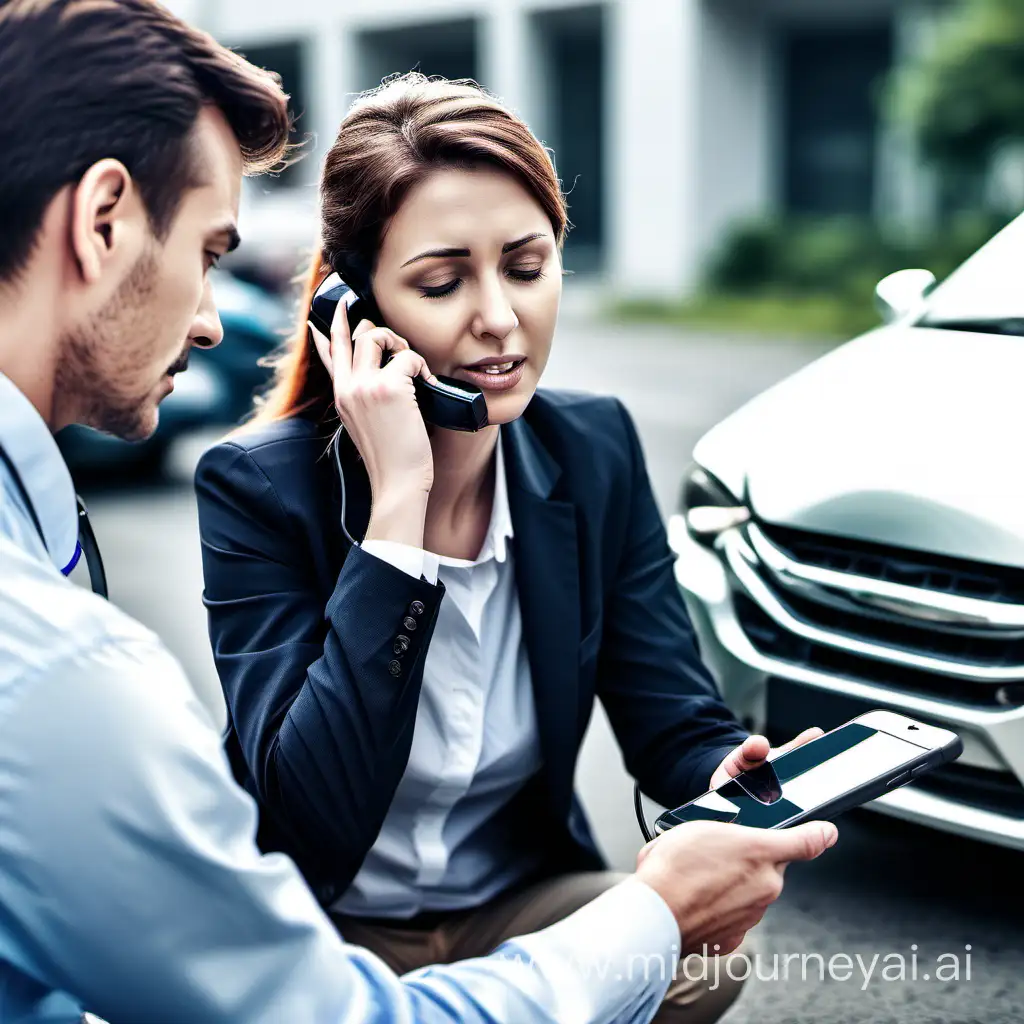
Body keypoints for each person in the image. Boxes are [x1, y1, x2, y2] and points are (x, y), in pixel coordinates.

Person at [0, 3, 839, 1023]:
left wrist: (724, 770)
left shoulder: (594, 446)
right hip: (321, 919)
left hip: (510, 902)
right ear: (355, 312)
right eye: (442, 282)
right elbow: (307, 817)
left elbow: (670, 708)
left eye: (527, 268)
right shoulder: (255, 490)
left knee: (699, 957)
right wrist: (397, 518)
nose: (498, 318)